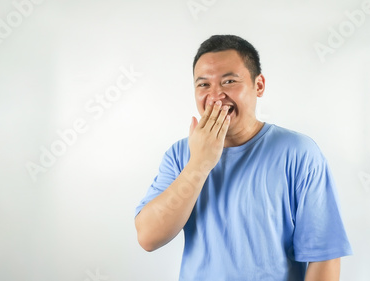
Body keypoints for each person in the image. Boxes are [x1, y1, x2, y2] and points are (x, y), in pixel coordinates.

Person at [134, 34, 352, 281]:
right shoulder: (180, 154)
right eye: (203, 85)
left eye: (228, 81)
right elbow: (148, 237)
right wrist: (199, 164)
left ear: (258, 86)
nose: (215, 96)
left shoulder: (299, 152)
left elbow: (324, 255)